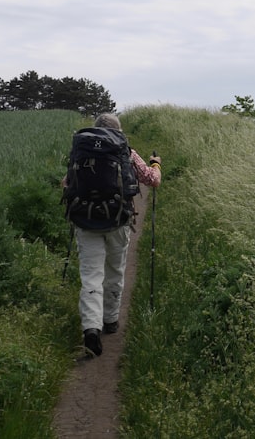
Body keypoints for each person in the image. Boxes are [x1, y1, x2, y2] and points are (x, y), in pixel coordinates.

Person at [63, 113, 161, 357]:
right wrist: (156, 163)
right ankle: (110, 321)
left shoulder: (81, 148)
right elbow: (152, 180)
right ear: (119, 130)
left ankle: (91, 329)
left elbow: (67, 184)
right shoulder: (125, 150)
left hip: (85, 221)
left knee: (91, 276)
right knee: (115, 271)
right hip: (118, 220)